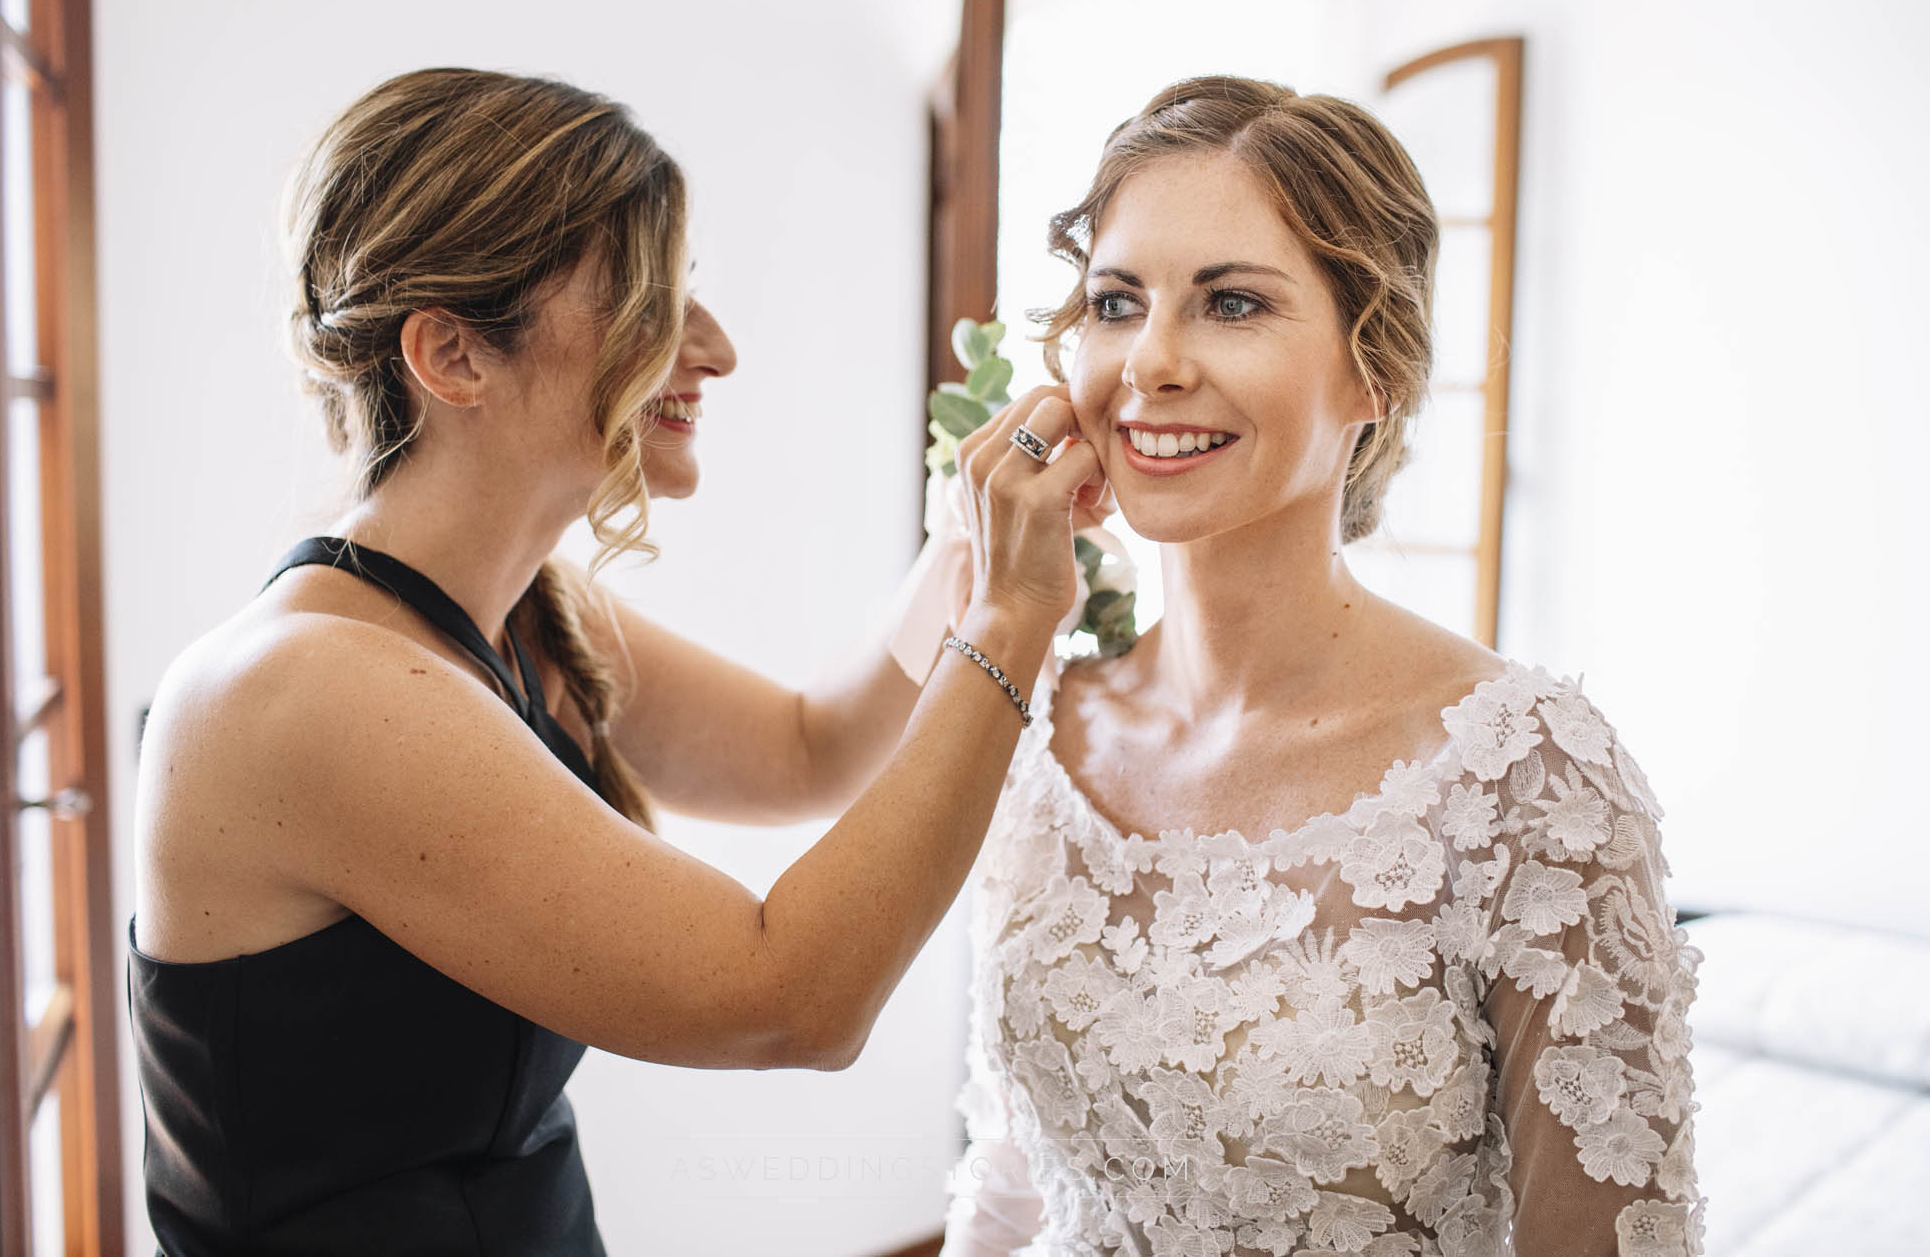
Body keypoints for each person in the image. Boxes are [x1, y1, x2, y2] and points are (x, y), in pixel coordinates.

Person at [127, 67, 1101, 1256]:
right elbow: (789, 998)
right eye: (646, 300)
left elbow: (810, 746)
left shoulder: (529, 614)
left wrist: (967, 539)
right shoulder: (299, 692)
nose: (716, 347)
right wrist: (1009, 614)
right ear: (452, 355)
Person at [941, 76, 1705, 1257]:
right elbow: (1011, 1173)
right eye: (1113, 300)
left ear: (1375, 370)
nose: (1148, 362)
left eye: (1230, 303)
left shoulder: (1530, 778)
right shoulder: (1039, 727)